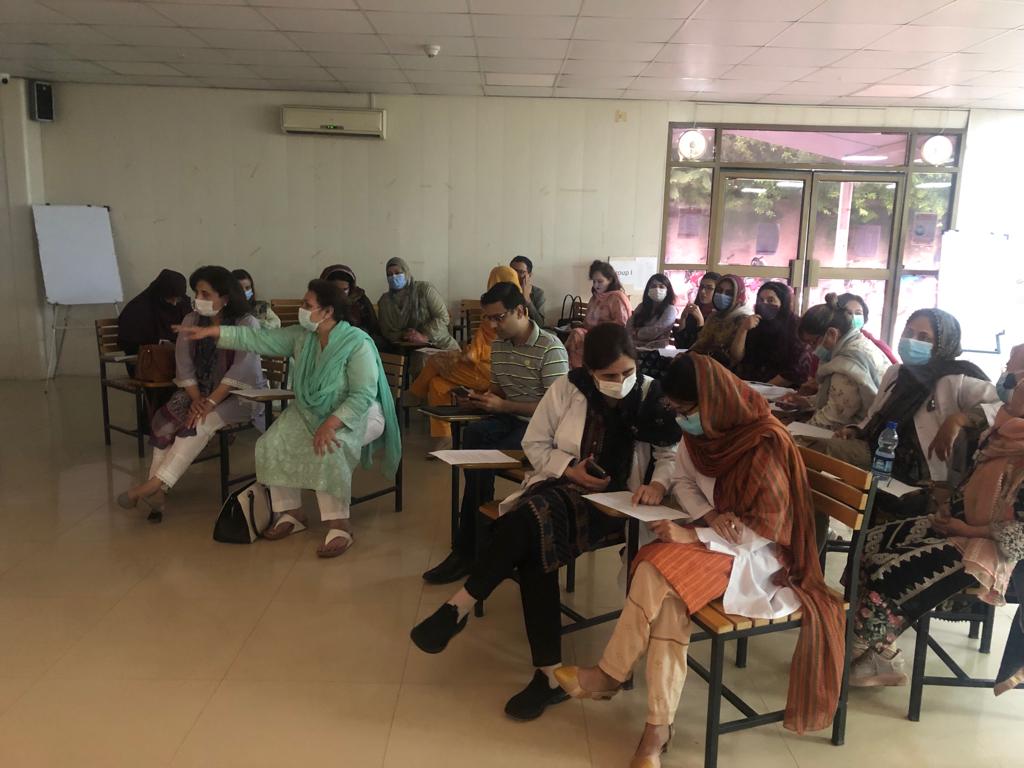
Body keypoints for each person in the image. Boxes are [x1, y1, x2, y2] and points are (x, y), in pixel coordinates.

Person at [554, 354, 845, 765]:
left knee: (655, 567)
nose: (681, 420)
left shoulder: (763, 443)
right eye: (675, 409)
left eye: (685, 410)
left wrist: (693, 534)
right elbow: (684, 480)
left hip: (760, 557)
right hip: (720, 540)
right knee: (667, 597)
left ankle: (611, 678)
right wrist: (709, 516)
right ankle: (655, 730)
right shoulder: (708, 429)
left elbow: (764, 530)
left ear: (712, 401)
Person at [411, 324, 680, 722]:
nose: (620, 381)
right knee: (536, 538)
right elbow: (534, 443)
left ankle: (460, 607)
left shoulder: (651, 396)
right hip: (561, 485)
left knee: (530, 525)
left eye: (627, 372)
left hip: (615, 506)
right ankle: (547, 674)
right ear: (590, 371)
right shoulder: (568, 387)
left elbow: (670, 454)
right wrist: (569, 468)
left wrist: (657, 484)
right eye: (609, 375)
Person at [175, 279, 402, 558]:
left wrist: (330, 424)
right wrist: (214, 330)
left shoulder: (356, 343)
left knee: (327, 449)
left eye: (307, 304)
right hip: (310, 410)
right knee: (272, 443)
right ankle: (292, 512)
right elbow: (258, 339)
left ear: (327, 311)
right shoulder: (302, 337)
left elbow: (362, 394)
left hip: (358, 414)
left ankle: (339, 525)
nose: (301, 309)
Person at [847, 345, 1024, 688]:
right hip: (963, 525)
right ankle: (880, 654)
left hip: (994, 550)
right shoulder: (1002, 431)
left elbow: (1019, 537)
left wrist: (966, 528)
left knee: (892, 573)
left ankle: (853, 652)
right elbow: (972, 486)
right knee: (870, 544)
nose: (1007, 383)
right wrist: (948, 506)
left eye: (1015, 378)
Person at [421, 281, 570, 585]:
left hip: (543, 432)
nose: (492, 325)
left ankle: (470, 548)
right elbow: (500, 391)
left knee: (481, 458)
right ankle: (477, 542)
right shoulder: (500, 345)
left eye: (498, 318)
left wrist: (504, 405)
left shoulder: (550, 348)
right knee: (474, 435)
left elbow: (556, 411)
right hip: (510, 420)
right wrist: (481, 398)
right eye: (487, 318)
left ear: (521, 311)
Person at [116, 266, 266, 521]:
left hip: (242, 395)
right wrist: (197, 399)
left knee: (200, 421)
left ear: (225, 297)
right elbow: (184, 364)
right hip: (201, 392)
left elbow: (242, 370)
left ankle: (154, 486)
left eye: (206, 294)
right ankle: (157, 492)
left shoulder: (246, 323)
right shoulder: (192, 320)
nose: (198, 299)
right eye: (196, 292)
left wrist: (209, 402)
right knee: (166, 420)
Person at [818, 309, 1001, 502]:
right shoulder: (896, 372)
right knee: (811, 452)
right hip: (880, 454)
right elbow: (874, 415)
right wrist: (856, 430)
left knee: (818, 454)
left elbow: (1003, 406)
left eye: (924, 337)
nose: (911, 341)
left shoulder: (957, 379)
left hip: (919, 470)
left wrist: (959, 419)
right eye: (908, 333)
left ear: (942, 345)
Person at [409, 266, 521, 449]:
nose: (494, 322)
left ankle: (414, 395)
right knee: (437, 384)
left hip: (487, 372)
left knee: (435, 361)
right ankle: (443, 436)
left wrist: (465, 355)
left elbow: (487, 352)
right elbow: (480, 345)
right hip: (481, 367)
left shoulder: (509, 319)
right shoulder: (496, 314)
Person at [779, 294, 891, 431]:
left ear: (832, 333)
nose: (812, 350)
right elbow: (840, 400)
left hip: (862, 434)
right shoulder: (859, 345)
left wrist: (790, 430)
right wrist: (806, 402)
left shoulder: (847, 364)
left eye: (813, 342)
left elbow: (833, 418)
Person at [731, 281, 813, 386]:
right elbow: (737, 357)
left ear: (783, 303)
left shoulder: (796, 327)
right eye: (760, 300)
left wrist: (762, 389)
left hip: (782, 389)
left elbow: (795, 370)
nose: (764, 304)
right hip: (751, 385)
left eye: (770, 300)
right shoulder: (755, 323)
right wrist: (743, 329)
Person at [377, 257, 458, 351]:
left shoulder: (425, 290)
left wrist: (424, 336)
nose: (394, 277)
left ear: (406, 272)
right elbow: (386, 331)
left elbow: (443, 317)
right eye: (389, 274)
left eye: (397, 273)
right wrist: (405, 335)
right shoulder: (385, 301)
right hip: (405, 348)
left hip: (438, 343)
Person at [565, 260, 633, 368]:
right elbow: (588, 323)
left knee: (577, 335)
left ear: (610, 280)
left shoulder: (617, 298)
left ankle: (579, 369)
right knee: (575, 333)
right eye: (594, 281)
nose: (596, 285)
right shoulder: (595, 297)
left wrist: (596, 331)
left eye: (600, 281)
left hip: (610, 339)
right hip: (592, 335)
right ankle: (573, 369)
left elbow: (622, 326)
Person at [117, 269, 190, 357]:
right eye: (169, 298)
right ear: (161, 293)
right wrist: (158, 344)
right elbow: (130, 343)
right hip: (147, 358)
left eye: (178, 299)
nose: (174, 303)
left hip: (176, 355)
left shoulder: (182, 304)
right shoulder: (138, 308)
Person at [688, 274, 749, 367]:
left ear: (738, 297)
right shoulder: (714, 316)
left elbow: (735, 358)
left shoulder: (742, 320)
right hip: (705, 364)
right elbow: (700, 345)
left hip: (726, 370)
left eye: (729, 293)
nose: (722, 295)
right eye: (719, 291)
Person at [320, 264, 384, 345]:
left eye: (345, 289)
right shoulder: (319, 302)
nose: (341, 294)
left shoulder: (360, 299)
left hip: (359, 342)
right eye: (336, 289)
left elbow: (373, 327)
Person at [837, 292, 898, 364]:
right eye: (849, 313)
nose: (853, 317)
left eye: (858, 313)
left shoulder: (872, 342)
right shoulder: (829, 338)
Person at [627, 274, 679, 349]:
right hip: (633, 347)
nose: (657, 289)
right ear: (648, 289)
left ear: (668, 290)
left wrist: (637, 333)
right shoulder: (641, 306)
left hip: (655, 350)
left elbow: (656, 331)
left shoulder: (670, 310)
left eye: (661, 287)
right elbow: (629, 325)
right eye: (653, 286)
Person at [672, 270, 721, 350]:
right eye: (701, 287)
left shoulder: (720, 316)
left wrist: (700, 322)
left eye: (709, 288)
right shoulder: (694, 311)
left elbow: (703, 348)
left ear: (718, 291)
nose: (703, 291)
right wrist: (683, 319)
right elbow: (680, 346)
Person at [510, 255, 546, 326]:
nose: (515, 275)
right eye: (513, 271)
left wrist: (527, 299)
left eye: (521, 272)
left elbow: (540, 324)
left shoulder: (538, 293)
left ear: (529, 275)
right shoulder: (505, 290)